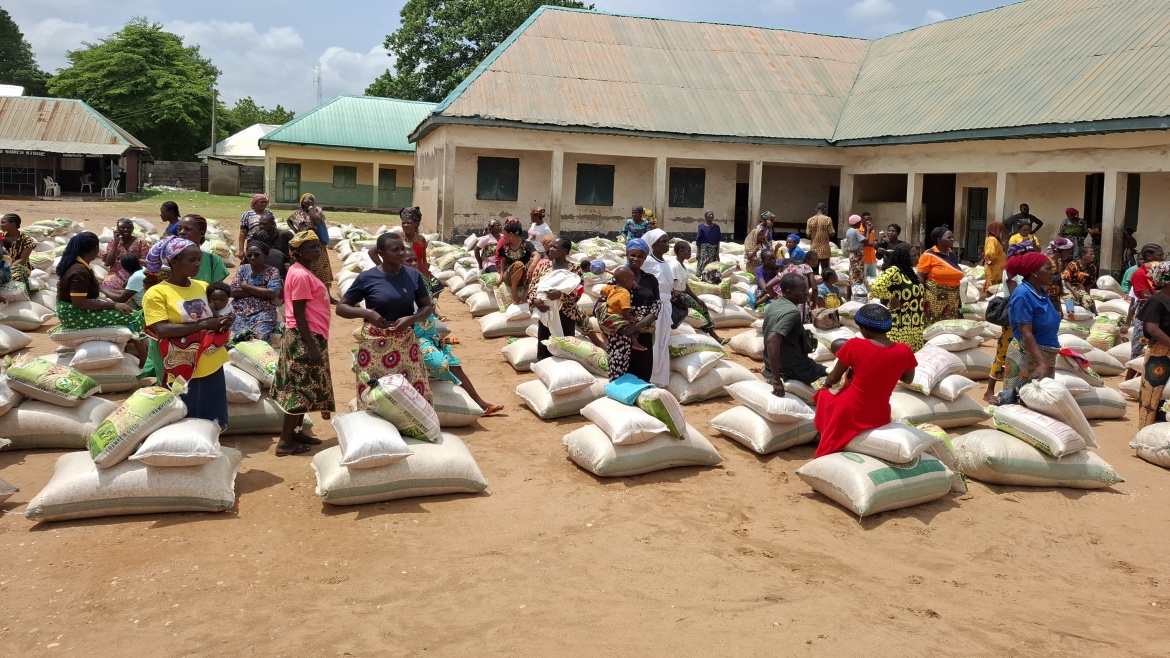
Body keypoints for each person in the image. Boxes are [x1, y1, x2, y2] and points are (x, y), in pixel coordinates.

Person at [142, 238, 233, 426]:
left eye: (199, 259)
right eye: (192, 260)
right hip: (184, 368)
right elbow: (162, 329)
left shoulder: (201, 286)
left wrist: (224, 321)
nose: (198, 264)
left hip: (212, 362)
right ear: (173, 262)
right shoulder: (157, 293)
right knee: (188, 423)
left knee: (214, 421)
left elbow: (215, 314)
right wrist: (205, 325)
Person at [338, 232, 434, 403]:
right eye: (395, 250)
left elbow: (427, 307)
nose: (401, 254)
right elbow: (341, 307)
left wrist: (411, 319)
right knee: (374, 391)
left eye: (402, 249)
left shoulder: (413, 275)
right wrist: (366, 313)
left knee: (411, 390)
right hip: (375, 343)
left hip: (405, 341)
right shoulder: (367, 278)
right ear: (381, 254)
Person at [812, 304, 918, 457]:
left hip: (851, 411)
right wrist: (889, 369)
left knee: (824, 395)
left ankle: (825, 433)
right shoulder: (904, 350)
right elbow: (908, 379)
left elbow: (834, 377)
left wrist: (825, 384)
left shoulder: (855, 345)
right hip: (879, 413)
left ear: (865, 329)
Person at [268, 231, 334, 456]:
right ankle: (285, 443)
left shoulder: (302, 271)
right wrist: (312, 346)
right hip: (305, 338)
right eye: (312, 247)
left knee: (304, 389)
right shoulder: (301, 275)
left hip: (310, 336)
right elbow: (299, 314)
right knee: (297, 390)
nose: (317, 250)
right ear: (297, 251)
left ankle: (296, 432)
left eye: (318, 246)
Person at [55, 231, 147, 358]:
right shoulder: (79, 271)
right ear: (94, 249)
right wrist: (112, 305)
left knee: (124, 311)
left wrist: (106, 302)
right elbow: (79, 302)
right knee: (132, 316)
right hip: (74, 314)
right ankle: (143, 359)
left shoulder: (79, 265)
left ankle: (128, 352)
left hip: (73, 310)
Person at [527, 235, 598, 359]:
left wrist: (560, 295)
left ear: (565, 251)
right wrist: (536, 301)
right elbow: (533, 285)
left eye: (555, 247)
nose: (551, 249)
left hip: (566, 314)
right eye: (551, 247)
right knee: (546, 346)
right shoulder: (544, 267)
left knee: (564, 347)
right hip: (546, 312)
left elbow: (578, 291)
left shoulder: (574, 269)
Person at [1002, 252, 1061, 398]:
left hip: (1045, 356)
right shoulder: (1022, 294)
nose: (1052, 273)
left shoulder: (1041, 291)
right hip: (1027, 357)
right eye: (1047, 269)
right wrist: (1041, 363)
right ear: (1034, 272)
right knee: (1019, 402)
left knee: (1040, 404)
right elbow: (1026, 332)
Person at [600, 239, 659, 381]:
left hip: (643, 334)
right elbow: (602, 304)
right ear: (627, 255)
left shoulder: (650, 280)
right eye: (632, 255)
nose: (636, 259)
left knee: (643, 374)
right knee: (619, 374)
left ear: (645, 258)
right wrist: (615, 326)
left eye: (640, 256)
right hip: (620, 335)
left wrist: (635, 326)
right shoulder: (617, 278)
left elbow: (656, 308)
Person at [763, 272, 826, 392]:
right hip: (794, 367)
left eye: (807, 288)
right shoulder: (793, 312)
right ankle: (818, 391)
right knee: (831, 377)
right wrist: (776, 380)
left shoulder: (775, 304)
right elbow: (772, 340)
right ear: (788, 292)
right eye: (802, 290)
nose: (807, 292)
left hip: (773, 365)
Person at [869, 242, 926, 351]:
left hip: (915, 325)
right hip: (900, 325)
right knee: (899, 357)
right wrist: (892, 298)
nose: (917, 257)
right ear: (904, 257)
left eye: (917, 254)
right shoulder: (895, 270)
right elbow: (876, 286)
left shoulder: (909, 272)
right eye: (913, 255)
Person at [643, 229, 678, 386]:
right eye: (663, 241)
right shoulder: (648, 263)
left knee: (663, 342)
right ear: (653, 244)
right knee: (654, 343)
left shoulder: (665, 263)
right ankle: (650, 376)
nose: (667, 244)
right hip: (654, 307)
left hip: (666, 306)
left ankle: (660, 377)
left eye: (667, 240)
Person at [229, 239, 282, 342]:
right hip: (239, 311)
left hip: (263, 312)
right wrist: (262, 290)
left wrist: (245, 286)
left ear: (265, 256)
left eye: (256, 255)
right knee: (232, 338)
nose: (252, 258)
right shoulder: (243, 269)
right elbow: (232, 291)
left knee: (257, 339)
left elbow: (273, 292)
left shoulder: (272, 271)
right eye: (249, 255)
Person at [669, 241, 723, 342]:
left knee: (702, 306)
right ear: (681, 251)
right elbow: (672, 286)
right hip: (678, 296)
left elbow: (685, 285)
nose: (691, 253)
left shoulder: (682, 265)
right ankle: (714, 335)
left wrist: (697, 298)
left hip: (683, 294)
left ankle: (709, 333)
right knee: (702, 310)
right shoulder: (674, 266)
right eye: (688, 251)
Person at [1138, 262, 1170, 426]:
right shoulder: (1156, 301)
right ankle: (1145, 431)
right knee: (1153, 392)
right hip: (1160, 352)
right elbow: (1152, 328)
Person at [288, 193, 335, 296]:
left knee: (322, 269)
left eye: (312, 199)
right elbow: (289, 221)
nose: (311, 200)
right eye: (308, 199)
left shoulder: (317, 210)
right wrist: (296, 232)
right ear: (302, 202)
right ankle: (308, 293)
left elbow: (317, 219)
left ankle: (327, 296)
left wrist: (310, 208)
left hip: (317, 244)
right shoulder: (297, 213)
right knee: (306, 268)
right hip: (303, 245)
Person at [599, 267, 654, 352]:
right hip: (617, 317)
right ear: (626, 280)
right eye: (632, 280)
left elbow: (602, 290)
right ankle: (635, 343)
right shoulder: (625, 293)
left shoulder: (612, 288)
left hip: (608, 315)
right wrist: (630, 318)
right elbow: (625, 310)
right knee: (632, 325)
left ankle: (605, 334)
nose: (633, 283)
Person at [917, 227, 964, 327]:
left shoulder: (951, 254)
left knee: (949, 326)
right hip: (934, 297)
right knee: (932, 324)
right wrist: (920, 295)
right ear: (939, 240)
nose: (952, 239)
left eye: (952, 237)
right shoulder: (928, 254)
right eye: (948, 237)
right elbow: (921, 276)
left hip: (953, 297)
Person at [1129, 244, 1164, 363]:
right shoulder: (1139, 274)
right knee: (1141, 345)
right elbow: (1146, 296)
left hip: (1160, 310)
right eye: (1159, 255)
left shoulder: (1158, 273)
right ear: (1149, 256)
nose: (1162, 258)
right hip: (1146, 311)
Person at [493, 217, 537, 309]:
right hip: (509, 277)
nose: (503, 237)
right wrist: (501, 277)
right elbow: (503, 263)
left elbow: (537, 255)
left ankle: (525, 295)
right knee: (518, 264)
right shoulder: (505, 247)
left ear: (511, 235)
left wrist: (532, 266)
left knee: (534, 262)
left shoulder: (526, 244)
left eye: (504, 234)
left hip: (524, 277)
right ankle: (513, 291)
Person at [175, 215, 228, 285]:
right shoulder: (171, 258)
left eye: (188, 229)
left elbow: (215, 290)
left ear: (202, 233)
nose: (182, 232)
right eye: (179, 229)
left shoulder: (212, 260)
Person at [101, 218, 150, 291]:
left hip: (136, 272)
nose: (126, 230)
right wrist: (116, 243)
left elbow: (146, 262)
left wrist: (131, 260)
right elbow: (108, 263)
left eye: (128, 228)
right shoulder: (113, 243)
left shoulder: (141, 242)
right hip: (117, 273)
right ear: (118, 229)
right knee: (108, 285)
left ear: (132, 229)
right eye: (123, 227)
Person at [1, 213, 36, 291]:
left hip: (19, 267)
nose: (1, 225)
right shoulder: (1, 237)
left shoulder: (26, 240)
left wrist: (8, 268)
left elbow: (22, 260)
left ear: (13, 224)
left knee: (14, 277)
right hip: (2, 265)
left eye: (3, 222)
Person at [1044, 238, 1077, 314]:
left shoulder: (1059, 262)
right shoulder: (1047, 261)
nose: (1069, 255)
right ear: (1062, 250)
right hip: (1046, 296)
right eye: (1068, 252)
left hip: (1055, 296)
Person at [255, 211, 292, 276]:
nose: (261, 226)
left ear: (273, 224)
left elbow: (298, 246)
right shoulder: (260, 236)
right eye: (260, 224)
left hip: (285, 267)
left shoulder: (284, 234)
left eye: (264, 224)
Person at [1063, 246, 1098, 312]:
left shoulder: (1092, 268)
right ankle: (1070, 312)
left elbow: (1088, 285)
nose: (1093, 256)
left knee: (1088, 299)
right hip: (1068, 286)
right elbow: (1066, 280)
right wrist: (1074, 292)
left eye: (1093, 254)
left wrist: (1087, 295)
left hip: (1079, 288)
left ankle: (1095, 315)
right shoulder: (1073, 265)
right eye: (1091, 254)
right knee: (1069, 297)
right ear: (1083, 255)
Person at [806, 203, 835, 276]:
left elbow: (808, 235)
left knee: (814, 271)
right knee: (825, 271)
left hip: (814, 249)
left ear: (816, 209)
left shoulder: (810, 220)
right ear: (824, 209)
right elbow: (832, 233)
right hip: (824, 249)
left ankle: (814, 285)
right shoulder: (827, 219)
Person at [844, 214, 868, 300]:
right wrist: (868, 230)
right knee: (858, 276)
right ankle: (857, 298)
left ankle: (848, 298)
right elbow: (866, 241)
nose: (860, 224)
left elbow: (861, 239)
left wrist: (865, 229)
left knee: (852, 275)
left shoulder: (849, 231)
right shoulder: (855, 232)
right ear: (856, 223)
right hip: (857, 256)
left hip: (852, 255)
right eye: (859, 223)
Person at [982, 221, 1007, 293]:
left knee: (995, 288)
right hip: (993, 269)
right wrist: (989, 262)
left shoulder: (996, 239)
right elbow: (989, 253)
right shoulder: (992, 239)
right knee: (991, 288)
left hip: (997, 270)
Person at [861, 212, 879, 278]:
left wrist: (876, 242)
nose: (869, 221)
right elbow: (863, 243)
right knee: (862, 279)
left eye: (870, 219)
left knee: (872, 279)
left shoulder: (871, 230)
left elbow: (873, 242)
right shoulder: (858, 230)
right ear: (862, 220)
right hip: (863, 259)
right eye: (867, 219)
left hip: (872, 259)